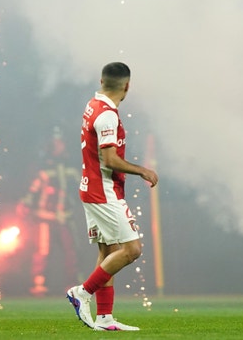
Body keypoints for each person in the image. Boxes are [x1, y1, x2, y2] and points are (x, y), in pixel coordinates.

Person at [66, 62, 158, 331]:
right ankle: (82, 292)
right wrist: (142, 170)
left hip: (92, 188)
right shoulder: (107, 115)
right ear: (127, 86)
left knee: (108, 252)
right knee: (132, 250)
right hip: (103, 191)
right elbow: (109, 159)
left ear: (101, 81)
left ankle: (104, 317)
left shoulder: (92, 105)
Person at [16, 126, 83, 296]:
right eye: (55, 143)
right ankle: (39, 283)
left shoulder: (72, 166)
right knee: (42, 251)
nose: (59, 146)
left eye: (61, 142)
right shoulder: (42, 167)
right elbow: (32, 190)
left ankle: (73, 283)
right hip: (45, 218)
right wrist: (24, 204)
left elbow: (82, 187)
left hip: (66, 217)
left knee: (71, 250)